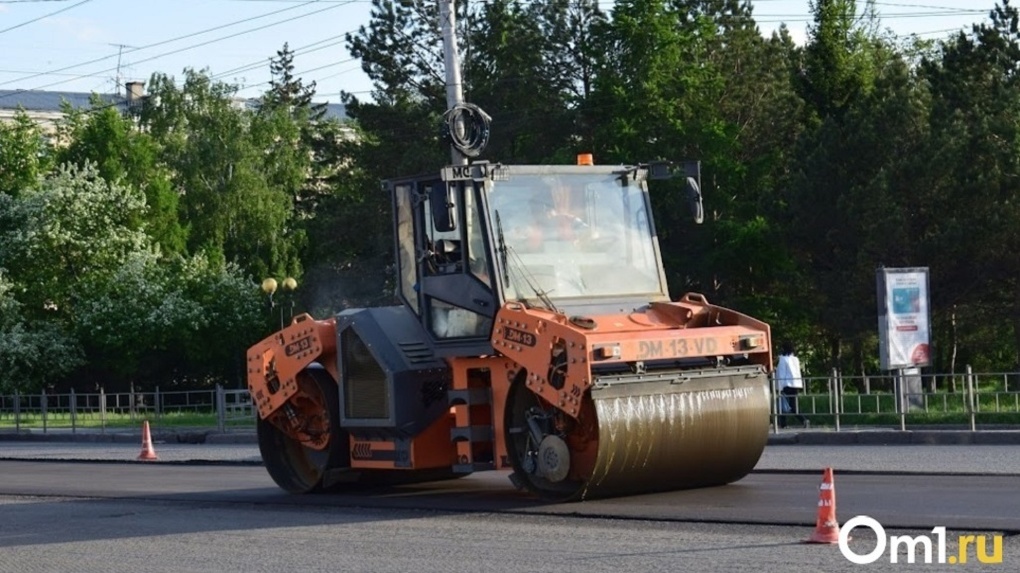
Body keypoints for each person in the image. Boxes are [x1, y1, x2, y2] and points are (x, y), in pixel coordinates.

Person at [776, 340, 809, 428]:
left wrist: (779, 387)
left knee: (784, 404)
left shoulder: (783, 359)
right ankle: (802, 420)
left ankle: (799, 420)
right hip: (796, 384)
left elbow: (781, 374)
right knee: (791, 404)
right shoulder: (795, 359)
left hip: (787, 384)